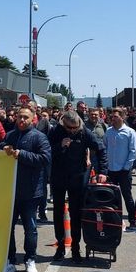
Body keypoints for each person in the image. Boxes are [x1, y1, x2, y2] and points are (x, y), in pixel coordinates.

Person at [48, 110, 108, 263]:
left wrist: (103, 171)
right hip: (59, 176)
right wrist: (60, 146)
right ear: (64, 123)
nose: (73, 131)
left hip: (78, 177)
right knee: (58, 212)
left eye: (75, 128)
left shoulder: (85, 133)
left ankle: (76, 247)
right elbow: (47, 151)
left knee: (76, 213)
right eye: (70, 128)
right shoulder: (56, 131)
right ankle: (60, 246)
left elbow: (101, 150)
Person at [1, 107, 51, 272]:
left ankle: (30, 259)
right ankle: (10, 258)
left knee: (30, 229)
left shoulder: (39, 137)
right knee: (8, 228)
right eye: (19, 117)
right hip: (10, 191)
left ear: (33, 119)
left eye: (25, 117)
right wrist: (4, 148)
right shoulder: (10, 135)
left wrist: (21, 154)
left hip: (31, 192)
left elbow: (44, 159)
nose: (21, 120)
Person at [104, 109, 136, 231]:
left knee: (127, 196)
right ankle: (113, 220)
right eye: (112, 117)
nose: (112, 119)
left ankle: (132, 220)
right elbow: (105, 147)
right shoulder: (108, 131)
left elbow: (133, 151)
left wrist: (126, 167)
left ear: (122, 117)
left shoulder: (130, 132)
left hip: (124, 170)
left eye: (115, 117)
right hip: (111, 170)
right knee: (111, 197)